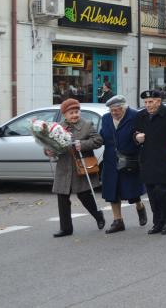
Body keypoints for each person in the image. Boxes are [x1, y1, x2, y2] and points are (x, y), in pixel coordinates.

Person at [46, 99, 105, 237]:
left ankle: (98, 215)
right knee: (62, 196)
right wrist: (49, 151)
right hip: (64, 167)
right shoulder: (58, 127)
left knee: (84, 195)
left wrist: (82, 144)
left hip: (80, 166)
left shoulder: (87, 125)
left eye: (76, 112)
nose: (74, 115)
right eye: (71, 113)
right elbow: (51, 145)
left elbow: (98, 141)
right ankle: (66, 228)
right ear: (65, 115)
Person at [134, 90, 166, 235]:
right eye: (145, 102)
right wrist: (137, 138)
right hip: (147, 160)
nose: (148, 105)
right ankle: (158, 222)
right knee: (152, 194)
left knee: (162, 192)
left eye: (151, 102)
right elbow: (135, 133)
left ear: (158, 101)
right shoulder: (141, 116)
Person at [99, 95, 147, 233]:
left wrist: (138, 139)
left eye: (117, 110)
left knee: (132, 190)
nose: (114, 113)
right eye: (112, 110)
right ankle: (118, 221)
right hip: (110, 160)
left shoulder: (135, 116)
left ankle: (139, 206)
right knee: (112, 192)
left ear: (124, 108)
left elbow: (140, 133)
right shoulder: (106, 118)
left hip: (129, 159)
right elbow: (102, 135)